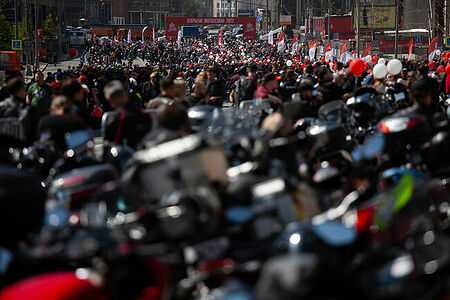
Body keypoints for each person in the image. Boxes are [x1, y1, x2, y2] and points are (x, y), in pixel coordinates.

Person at [103, 80, 152, 149]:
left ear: (109, 100)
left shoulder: (116, 119)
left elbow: (111, 147)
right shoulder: (145, 114)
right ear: (126, 94)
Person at [0, 78, 40, 143]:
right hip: (24, 147)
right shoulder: (30, 109)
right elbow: (36, 133)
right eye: (24, 89)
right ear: (20, 90)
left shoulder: (2, 107)